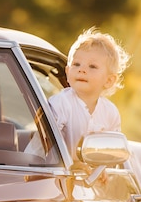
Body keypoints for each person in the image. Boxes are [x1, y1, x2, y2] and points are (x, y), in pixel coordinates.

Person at [51, 26, 130, 156]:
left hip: (89, 176)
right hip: (52, 173)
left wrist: (103, 170)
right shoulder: (60, 104)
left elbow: (111, 153)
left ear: (109, 81)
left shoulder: (110, 113)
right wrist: (71, 163)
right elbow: (46, 149)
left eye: (92, 66)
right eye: (76, 64)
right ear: (67, 71)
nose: (82, 70)